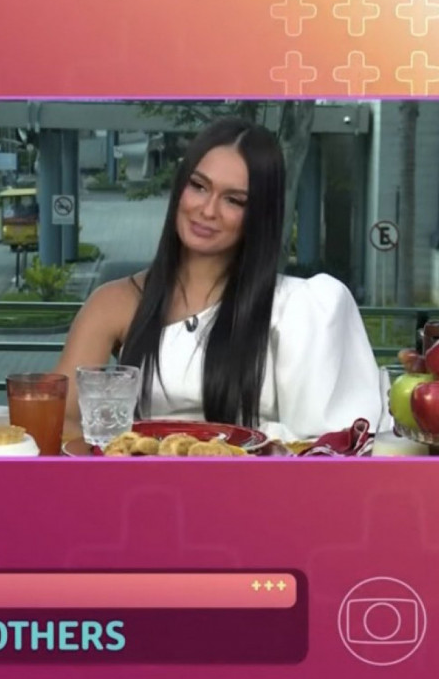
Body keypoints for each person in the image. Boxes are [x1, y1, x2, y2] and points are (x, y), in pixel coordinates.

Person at [52, 117, 382, 443]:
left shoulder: (300, 307)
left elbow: (327, 445)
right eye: (198, 186)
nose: (208, 211)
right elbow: (62, 421)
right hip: (147, 474)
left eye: (233, 200)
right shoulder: (115, 302)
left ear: (259, 215)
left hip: (260, 476)